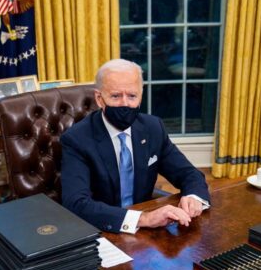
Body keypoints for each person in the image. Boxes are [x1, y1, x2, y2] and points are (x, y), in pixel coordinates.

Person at [60, 59, 210, 233]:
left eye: (132, 96)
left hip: (148, 232)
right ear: (100, 99)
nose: (125, 104)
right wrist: (143, 219)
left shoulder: (153, 128)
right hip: (103, 229)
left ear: (141, 95)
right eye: (116, 96)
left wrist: (193, 196)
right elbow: (76, 204)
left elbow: (188, 173)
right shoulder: (77, 139)